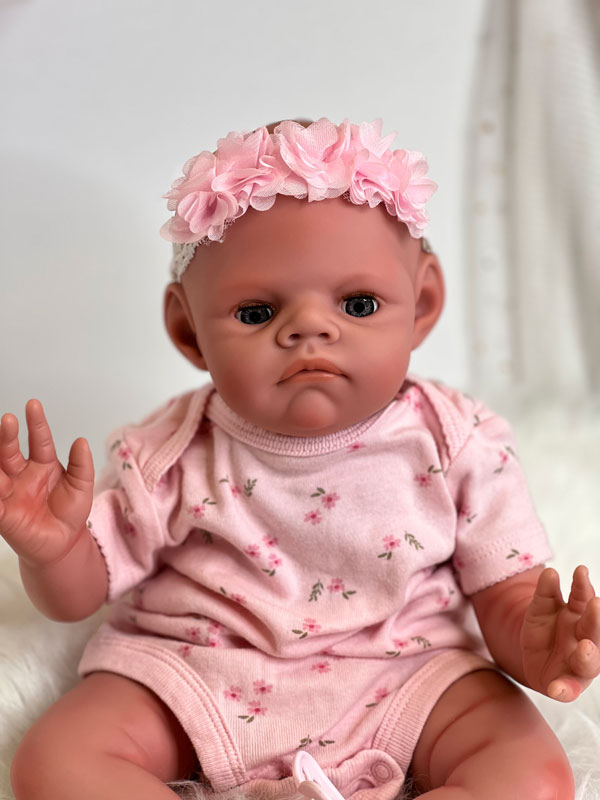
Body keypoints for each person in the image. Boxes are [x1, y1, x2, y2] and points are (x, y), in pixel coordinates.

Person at [2, 117, 599, 800]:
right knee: (55, 761)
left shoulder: (457, 440)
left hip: (406, 672)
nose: (310, 328)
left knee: (532, 775)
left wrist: (536, 641)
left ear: (423, 304)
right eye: (257, 313)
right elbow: (79, 594)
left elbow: (506, 591)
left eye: (359, 303)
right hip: (199, 671)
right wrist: (54, 549)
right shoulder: (168, 450)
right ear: (188, 331)